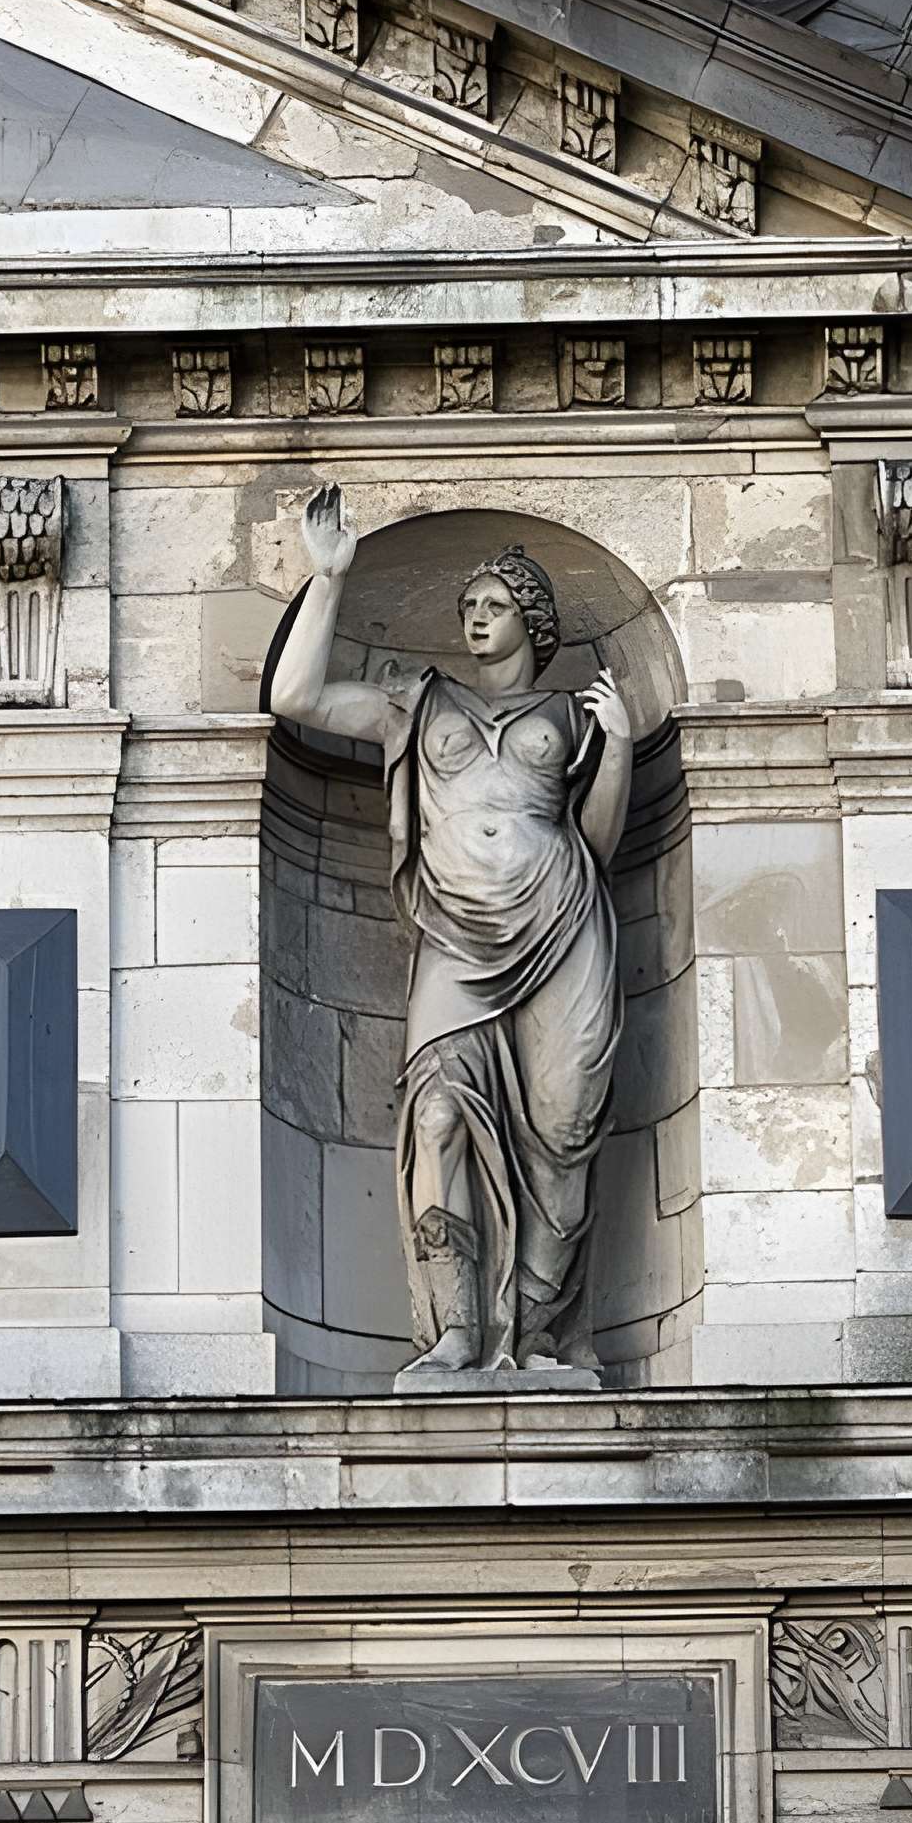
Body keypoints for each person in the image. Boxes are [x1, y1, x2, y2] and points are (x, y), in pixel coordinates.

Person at [269, 487, 637, 1376]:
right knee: (437, 1117)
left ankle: (541, 1335)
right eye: (467, 606)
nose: (474, 619)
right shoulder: (419, 702)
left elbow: (596, 844)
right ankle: (458, 1329)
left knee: (562, 1125)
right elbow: (297, 696)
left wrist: (620, 748)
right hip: (455, 942)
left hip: (563, 929)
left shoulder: (573, 718)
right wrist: (328, 581)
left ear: (532, 622)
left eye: (493, 605)